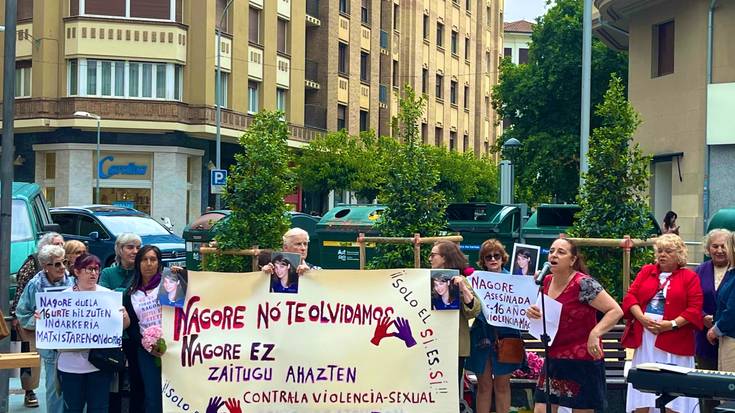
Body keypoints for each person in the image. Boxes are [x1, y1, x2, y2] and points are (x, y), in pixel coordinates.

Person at [527, 237, 622, 413]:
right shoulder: (544, 282)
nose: (554, 255)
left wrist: (595, 333)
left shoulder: (583, 283)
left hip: (582, 359)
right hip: (554, 357)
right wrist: (533, 314)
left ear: (572, 260)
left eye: (561, 252)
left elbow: (615, 311)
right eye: (552, 251)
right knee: (541, 408)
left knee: (581, 410)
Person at [623, 233, 703, 413]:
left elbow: (694, 309)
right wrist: (642, 318)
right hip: (647, 340)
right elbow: (630, 297)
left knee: (675, 394)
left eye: (668, 251)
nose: (662, 255)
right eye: (660, 251)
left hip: (675, 341)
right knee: (643, 390)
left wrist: (672, 324)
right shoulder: (647, 271)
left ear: (679, 254)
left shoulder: (689, 277)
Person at [57, 253, 130, 413]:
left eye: (97, 269)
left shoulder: (108, 296)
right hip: (70, 366)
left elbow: (123, 327)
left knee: (99, 408)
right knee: (72, 409)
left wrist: (124, 316)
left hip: (99, 365)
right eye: (89, 269)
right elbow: (53, 330)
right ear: (77, 271)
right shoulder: (62, 299)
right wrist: (43, 318)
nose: (94, 273)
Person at [16, 244, 75, 413]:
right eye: (57, 264)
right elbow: (22, 313)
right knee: (54, 388)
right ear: (45, 266)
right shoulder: (34, 285)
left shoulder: (72, 281)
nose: (62, 267)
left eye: (64, 262)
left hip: (72, 342)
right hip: (50, 346)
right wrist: (37, 321)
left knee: (74, 388)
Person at [466, 239, 521, 413]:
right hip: (481, 334)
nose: (492, 259)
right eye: (488, 256)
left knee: (502, 385)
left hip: (508, 335)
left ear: (503, 258)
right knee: (483, 386)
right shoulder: (475, 280)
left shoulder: (515, 280)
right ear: (483, 260)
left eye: (496, 255)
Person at [10, 232, 63, 408]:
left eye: (61, 244)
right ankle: (30, 391)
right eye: (55, 244)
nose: (62, 267)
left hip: (63, 335)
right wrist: (31, 319)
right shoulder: (33, 277)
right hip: (38, 330)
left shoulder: (69, 279)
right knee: (34, 363)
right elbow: (21, 301)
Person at [428, 240, 482, 400]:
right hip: (430, 344)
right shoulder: (426, 279)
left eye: (433, 255)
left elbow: (474, 310)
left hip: (454, 346)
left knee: (449, 393)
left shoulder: (460, 280)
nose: (430, 258)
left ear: (444, 257)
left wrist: (463, 288)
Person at [99, 233, 143, 413]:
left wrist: (117, 293)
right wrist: (127, 292)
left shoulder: (143, 272)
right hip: (115, 335)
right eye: (130, 247)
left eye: (138, 247)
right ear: (119, 250)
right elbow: (104, 299)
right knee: (114, 383)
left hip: (137, 335)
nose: (135, 251)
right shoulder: (108, 273)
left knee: (137, 380)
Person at [124, 245, 165, 413]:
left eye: (153, 259)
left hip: (174, 348)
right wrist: (147, 344)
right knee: (152, 395)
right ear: (138, 264)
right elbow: (132, 327)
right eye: (144, 260)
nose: (148, 264)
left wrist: (180, 275)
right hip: (147, 351)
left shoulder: (168, 284)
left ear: (159, 263)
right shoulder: (130, 294)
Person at [696, 229, 730, 413]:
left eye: (723, 246)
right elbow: (692, 299)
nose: (719, 250)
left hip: (729, 337)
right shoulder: (701, 270)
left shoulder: (733, 270)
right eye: (715, 246)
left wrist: (719, 323)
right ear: (708, 249)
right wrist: (702, 317)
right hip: (704, 338)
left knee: (728, 389)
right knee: (707, 389)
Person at [708, 232, 735, 373]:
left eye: (725, 246)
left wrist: (716, 329)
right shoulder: (732, 272)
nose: (721, 250)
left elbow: (732, 310)